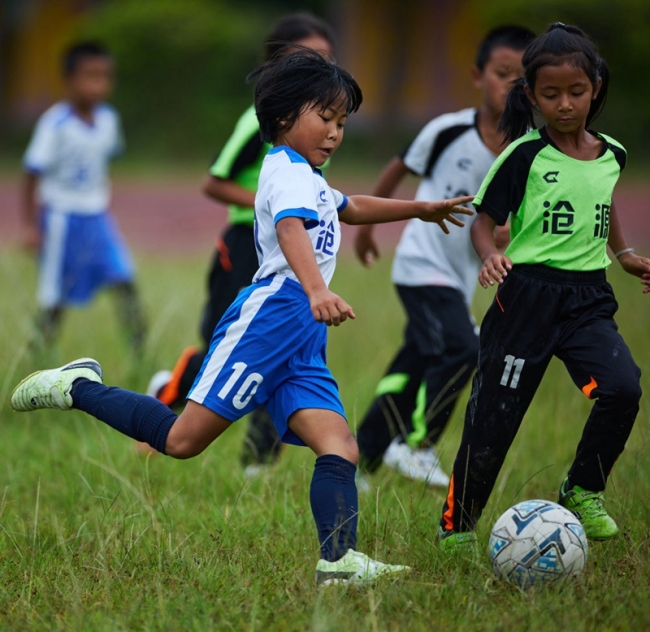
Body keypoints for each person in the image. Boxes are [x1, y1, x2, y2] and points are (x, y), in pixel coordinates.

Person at [11, 50, 474, 586]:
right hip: (271, 317)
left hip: (302, 334)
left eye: (342, 123)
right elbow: (290, 229)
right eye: (325, 118)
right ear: (282, 119)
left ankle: (338, 560)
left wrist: (418, 208)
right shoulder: (286, 173)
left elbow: (349, 206)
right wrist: (317, 288)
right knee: (183, 441)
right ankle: (77, 386)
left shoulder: (309, 176)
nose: (335, 133)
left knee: (339, 445)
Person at [436, 23, 650, 551]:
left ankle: (581, 489)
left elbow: (603, 201)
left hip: (588, 299)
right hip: (525, 298)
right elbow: (484, 222)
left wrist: (622, 255)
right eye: (550, 94)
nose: (565, 104)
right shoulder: (523, 156)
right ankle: (457, 528)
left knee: (622, 388)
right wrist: (491, 257)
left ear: (596, 86)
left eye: (576, 92)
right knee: (493, 421)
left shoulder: (612, 154)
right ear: (531, 94)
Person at [143, 13, 336, 472]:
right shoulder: (259, 123)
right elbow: (214, 181)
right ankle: (169, 392)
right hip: (247, 242)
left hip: (284, 246)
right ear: (276, 64)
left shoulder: (319, 126)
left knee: (275, 345)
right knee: (226, 345)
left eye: (328, 59)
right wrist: (275, 204)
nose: (321, 70)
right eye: (309, 59)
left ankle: (259, 457)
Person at [354, 26, 535, 488]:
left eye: (522, 78)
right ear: (478, 75)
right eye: (502, 73)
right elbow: (397, 169)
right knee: (460, 349)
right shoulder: (448, 129)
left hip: (459, 277)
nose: (510, 86)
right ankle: (417, 445)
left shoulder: (530, 149)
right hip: (420, 265)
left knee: (414, 363)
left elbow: (515, 219)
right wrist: (367, 232)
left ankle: (362, 460)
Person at [21, 42, 146, 350]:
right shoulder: (55, 124)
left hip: (98, 216)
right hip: (62, 218)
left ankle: (141, 350)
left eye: (105, 77)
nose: (98, 84)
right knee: (55, 296)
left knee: (124, 279)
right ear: (69, 79)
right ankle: (38, 353)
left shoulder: (108, 120)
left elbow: (103, 161)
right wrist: (32, 227)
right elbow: (31, 173)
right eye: (90, 76)